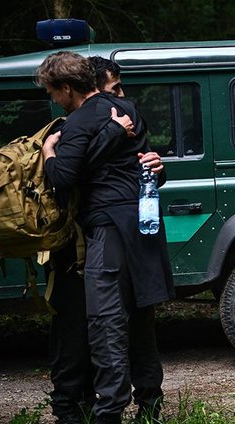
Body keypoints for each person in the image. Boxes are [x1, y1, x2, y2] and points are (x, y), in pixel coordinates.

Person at [37, 51, 174, 424]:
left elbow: (63, 180)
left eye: (52, 91)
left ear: (67, 88)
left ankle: (108, 414)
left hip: (108, 234)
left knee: (105, 324)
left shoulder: (76, 122)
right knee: (142, 322)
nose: (52, 99)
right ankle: (150, 408)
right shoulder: (127, 110)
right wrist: (114, 134)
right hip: (143, 228)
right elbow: (139, 164)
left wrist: (50, 153)